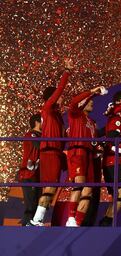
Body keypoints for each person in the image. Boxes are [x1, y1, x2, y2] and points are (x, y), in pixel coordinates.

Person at [28, 58, 73, 226]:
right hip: (50, 152)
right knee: (50, 188)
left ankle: (37, 220)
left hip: (55, 153)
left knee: (50, 188)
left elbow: (62, 138)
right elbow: (60, 88)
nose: (62, 98)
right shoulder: (47, 108)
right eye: (59, 97)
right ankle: (36, 220)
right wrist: (67, 71)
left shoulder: (57, 117)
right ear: (52, 98)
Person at [65, 86, 105, 227]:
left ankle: (77, 222)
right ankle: (70, 218)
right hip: (77, 152)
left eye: (91, 101)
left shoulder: (93, 123)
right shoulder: (75, 114)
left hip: (89, 155)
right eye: (88, 101)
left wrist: (97, 148)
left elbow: (93, 142)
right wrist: (92, 92)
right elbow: (74, 101)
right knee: (79, 184)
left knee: (89, 189)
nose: (91, 103)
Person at [99, 90, 121, 226]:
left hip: (118, 160)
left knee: (117, 196)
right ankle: (106, 224)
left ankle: (105, 224)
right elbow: (112, 137)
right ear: (118, 102)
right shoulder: (116, 116)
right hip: (114, 160)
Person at [19, 114, 42, 226]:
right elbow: (39, 145)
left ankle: (32, 227)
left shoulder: (42, 136)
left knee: (38, 204)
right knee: (31, 206)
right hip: (28, 174)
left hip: (37, 175)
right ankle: (25, 229)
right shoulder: (31, 134)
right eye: (43, 121)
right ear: (37, 122)